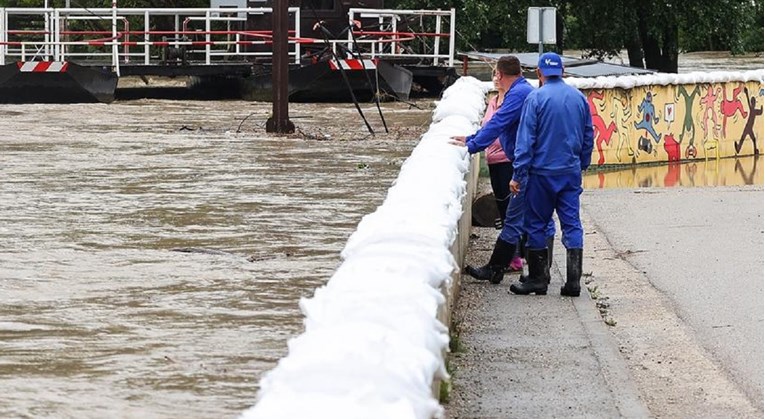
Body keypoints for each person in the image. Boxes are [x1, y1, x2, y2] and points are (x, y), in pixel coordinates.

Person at [508, 52, 594, 296]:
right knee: (572, 223)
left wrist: (517, 175)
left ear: (538, 73)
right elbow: (588, 135)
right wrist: (582, 164)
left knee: (536, 223)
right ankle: (573, 283)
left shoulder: (535, 99)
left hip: (541, 174)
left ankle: (538, 279)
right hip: (569, 173)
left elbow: (525, 142)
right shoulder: (579, 98)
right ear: (563, 71)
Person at [451, 55, 535, 284]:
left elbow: (498, 123)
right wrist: (472, 138)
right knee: (529, 218)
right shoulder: (522, 91)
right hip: (524, 163)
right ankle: (533, 271)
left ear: (499, 74)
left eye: (495, 73)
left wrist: (471, 145)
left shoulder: (518, 94)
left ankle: (502, 268)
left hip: (521, 165)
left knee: (515, 217)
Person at [481, 67, 524, 271]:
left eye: (499, 75)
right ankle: (511, 257)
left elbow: (497, 127)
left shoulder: (513, 101)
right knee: (502, 208)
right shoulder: (493, 102)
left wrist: (473, 143)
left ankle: (514, 258)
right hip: (493, 161)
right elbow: (486, 128)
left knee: (511, 211)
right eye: (494, 76)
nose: (496, 79)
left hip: (507, 160)